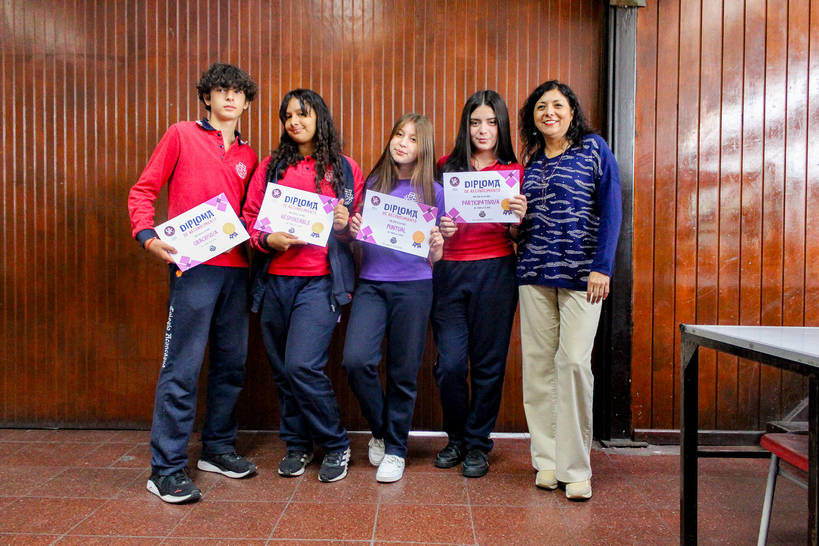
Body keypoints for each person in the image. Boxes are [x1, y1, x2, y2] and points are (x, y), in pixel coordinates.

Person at [127, 63, 259, 503]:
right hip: (193, 267)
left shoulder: (249, 156)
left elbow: (251, 215)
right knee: (182, 366)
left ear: (246, 102)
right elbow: (143, 191)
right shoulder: (181, 134)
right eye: (221, 90)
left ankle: (217, 449)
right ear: (207, 97)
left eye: (238, 92)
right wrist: (147, 236)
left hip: (237, 270)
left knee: (231, 364)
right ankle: (165, 469)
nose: (229, 97)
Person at [242, 89, 365, 483]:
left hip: (320, 283)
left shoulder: (344, 168)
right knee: (283, 370)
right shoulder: (270, 167)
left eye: (303, 114)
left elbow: (356, 227)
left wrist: (345, 226)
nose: (294, 122)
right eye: (288, 116)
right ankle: (297, 445)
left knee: (302, 365)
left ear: (319, 118)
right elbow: (249, 220)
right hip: (274, 283)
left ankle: (336, 444)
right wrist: (268, 239)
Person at [515, 80, 622, 500]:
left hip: (583, 276)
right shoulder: (530, 162)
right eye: (541, 107)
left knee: (574, 363)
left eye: (558, 105)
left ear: (572, 112)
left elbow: (612, 208)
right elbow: (519, 227)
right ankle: (547, 461)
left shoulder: (594, 149)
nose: (550, 113)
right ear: (533, 117)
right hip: (534, 272)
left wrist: (603, 267)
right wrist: (514, 219)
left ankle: (575, 467)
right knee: (539, 368)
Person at [342, 113, 445, 483]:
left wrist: (437, 245)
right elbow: (359, 238)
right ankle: (383, 431)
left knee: (403, 372)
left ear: (423, 147)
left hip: (415, 287)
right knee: (356, 361)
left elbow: (436, 256)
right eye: (399, 134)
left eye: (413, 138)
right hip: (371, 283)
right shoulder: (375, 183)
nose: (402, 143)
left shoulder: (434, 191)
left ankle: (396, 450)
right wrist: (354, 229)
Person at [432, 91, 526, 478]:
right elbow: (426, 221)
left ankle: (477, 443)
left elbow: (518, 235)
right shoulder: (445, 166)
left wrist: (518, 220)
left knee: (488, 365)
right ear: (465, 127)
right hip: (449, 272)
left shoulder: (515, 171)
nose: (482, 130)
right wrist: (439, 227)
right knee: (450, 365)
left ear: (501, 126)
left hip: (496, 270)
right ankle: (456, 437)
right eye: (475, 122)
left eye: (490, 122)